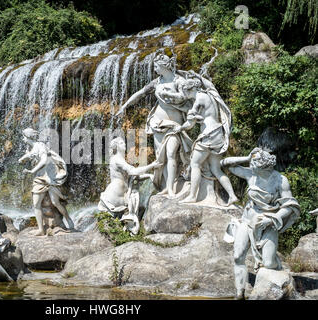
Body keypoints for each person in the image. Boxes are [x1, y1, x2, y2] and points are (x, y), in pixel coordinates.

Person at [222, 148, 300, 299]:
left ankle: (275, 265)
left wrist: (272, 219)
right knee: (238, 256)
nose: (251, 166)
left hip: (269, 223)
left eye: (254, 164)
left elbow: (290, 206)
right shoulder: (251, 174)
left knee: (269, 263)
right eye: (251, 164)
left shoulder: (280, 180)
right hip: (248, 220)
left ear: (264, 167)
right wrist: (247, 156)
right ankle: (240, 293)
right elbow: (224, 164)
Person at [116, 54, 192, 198]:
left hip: (174, 124)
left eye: (156, 66)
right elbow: (140, 93)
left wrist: (168, 94)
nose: (155, 69)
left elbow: (185, 97)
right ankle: (164, 187)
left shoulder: (179, 82)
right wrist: (125, 105)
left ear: (164, 66)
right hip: (157, 123)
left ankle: (171, 188)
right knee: (161, 157)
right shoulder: (157, 82)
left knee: (171, 154)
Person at [167, 78, 238, 206]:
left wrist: (180, 128)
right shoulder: (209, 95)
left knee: (195, 163)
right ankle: (232, 196)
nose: (184, 94)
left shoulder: (199, 98)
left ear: (191, 89)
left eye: (185, 91)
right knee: (216, 169)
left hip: (209, 135)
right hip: (218, 134)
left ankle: (192, 196)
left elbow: (190, 123)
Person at [98, 137, 162, 234]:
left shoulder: (120, 159)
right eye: (121, 143)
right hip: (114, 195)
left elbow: (133, 176)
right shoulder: (117, 159)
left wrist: (148, 175)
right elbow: (133, 171)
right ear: (116, 147)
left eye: (124, 142)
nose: (124, 144)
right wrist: (152, 166)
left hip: (121, 195)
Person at [18, 128, 74, 236]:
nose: (23, 138)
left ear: (28, 137)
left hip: (49, 177)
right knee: (36, 204)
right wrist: (23, 158)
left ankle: (68, 218)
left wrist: (31, 171)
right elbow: (31, 155)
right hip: (39, 178)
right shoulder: (32, 147)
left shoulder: (40, 146)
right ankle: (41, 229)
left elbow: (44, 160)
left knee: (55, 202)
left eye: (24, 136)